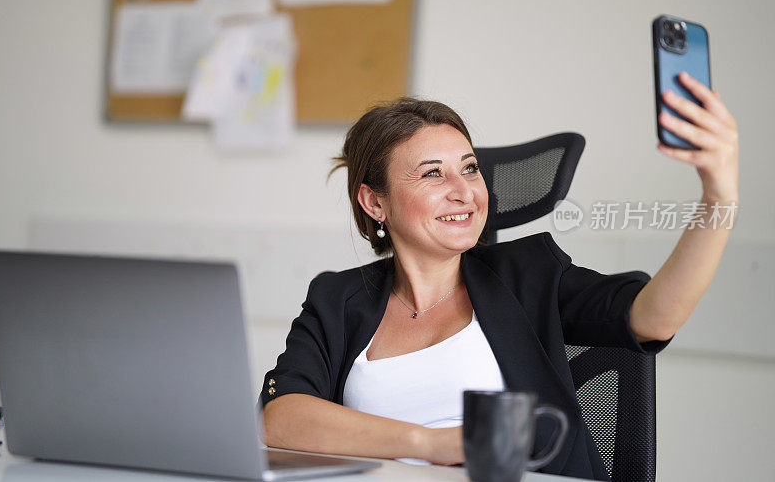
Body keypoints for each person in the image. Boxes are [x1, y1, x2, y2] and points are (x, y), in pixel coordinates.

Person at [259, 71, 739, 480]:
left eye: (469, 169)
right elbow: (280, 420)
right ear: (374, 201)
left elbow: (655, 316)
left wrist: (720, 195)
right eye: (432, 174)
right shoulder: (338, 298)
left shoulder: (528, 273)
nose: (464, 191)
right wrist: (432, 444)